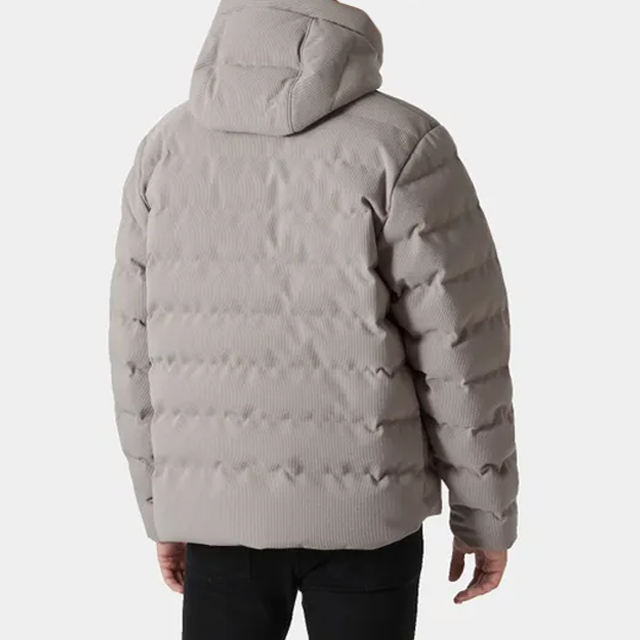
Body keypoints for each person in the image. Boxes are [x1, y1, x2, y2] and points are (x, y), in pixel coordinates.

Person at [109, 1, 519, 638]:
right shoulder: (404, 144)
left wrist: (165, 509)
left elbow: (135, 349)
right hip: (368, 515)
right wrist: (485, 513)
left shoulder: (165, 148)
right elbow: (460, 351)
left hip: (221, 517)